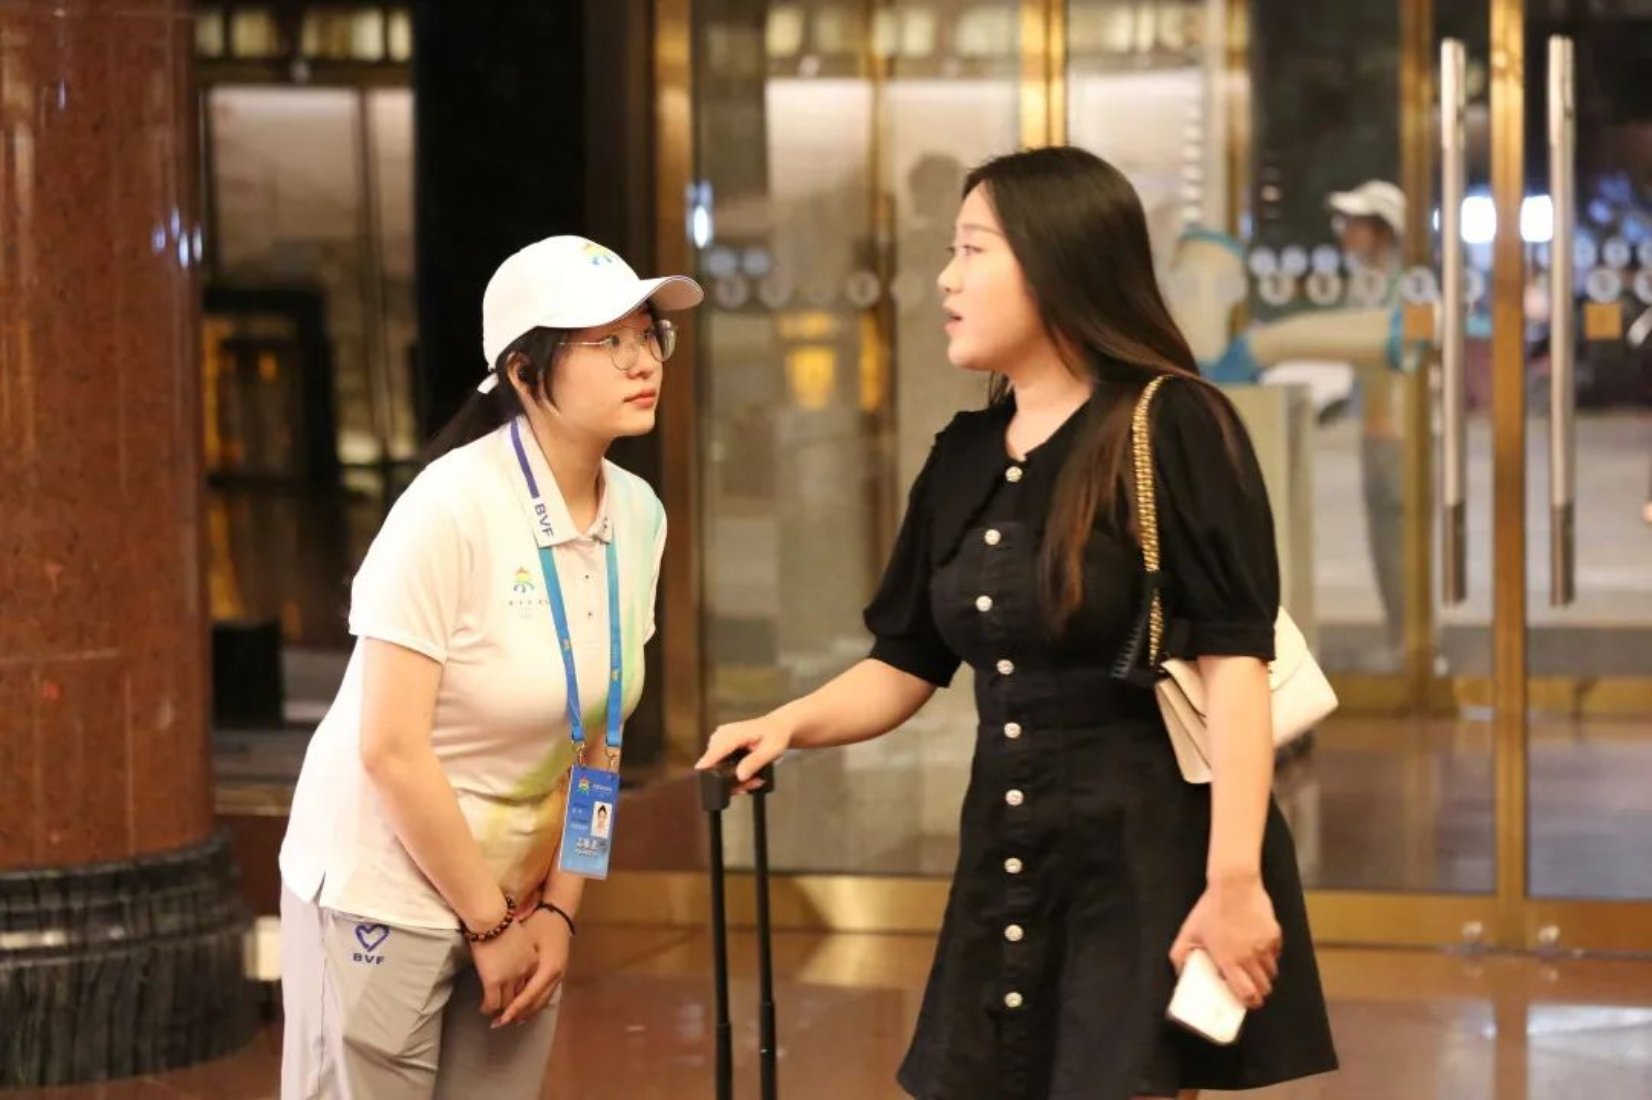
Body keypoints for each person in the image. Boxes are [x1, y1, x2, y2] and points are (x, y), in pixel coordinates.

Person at [699, 147, 1337, 1099]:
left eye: (973, 250)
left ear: (1056, 262)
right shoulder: (962, 454)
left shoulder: (1174, 423)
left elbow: (1235, 664)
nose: (946, 280)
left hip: (1148, 866)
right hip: (1008, 863)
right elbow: (904, 663)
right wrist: (786, 724)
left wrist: (1233, 881)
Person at [277, 235, 701, 1099]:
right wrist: (489, 923)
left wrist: (561, 910)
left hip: (523, 896)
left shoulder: (640, 514)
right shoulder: (448, 507)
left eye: (647, 335)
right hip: (384, 886)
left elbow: (600, 738)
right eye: (607, 341)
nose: (642, 362)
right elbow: (389, 749)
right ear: (523, 370)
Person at [1328, 180, 1408, 667]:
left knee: (1403, 542)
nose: (1346, 232)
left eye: (1355, 223)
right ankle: (1401, 640)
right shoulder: (1364, 283)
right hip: (1376, 427)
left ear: (1382, 230)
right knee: (1383, 542)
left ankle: (1416, 647)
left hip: (1406, 433)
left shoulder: (1408, 284)